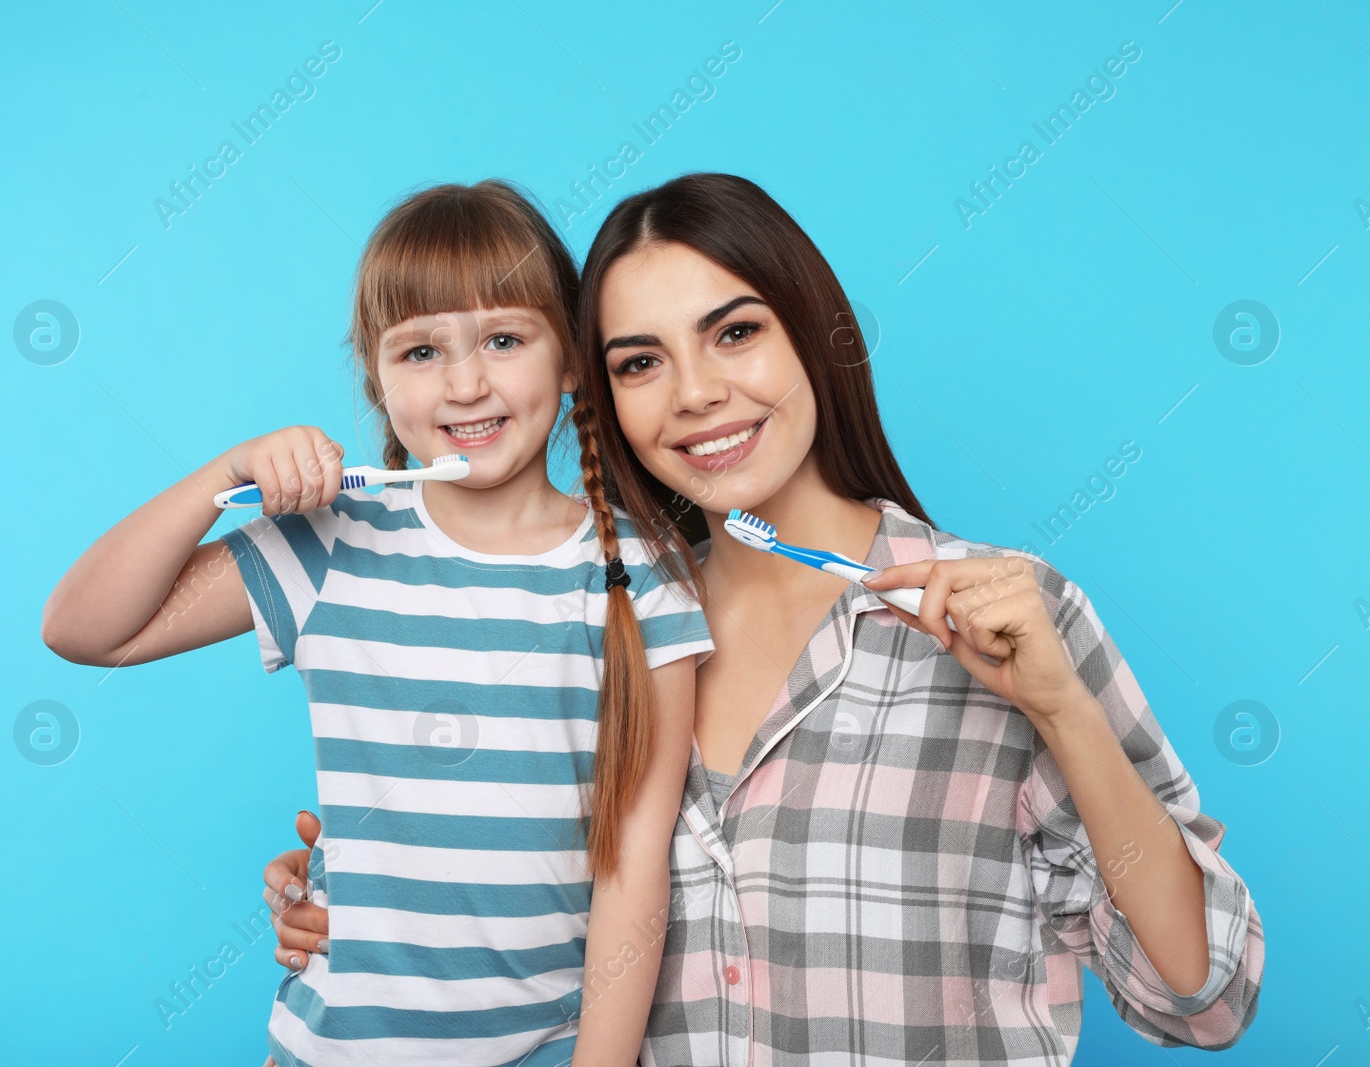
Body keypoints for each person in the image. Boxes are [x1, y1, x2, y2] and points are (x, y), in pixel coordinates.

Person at [265, 173, 1265, 1065]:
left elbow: (1201, 996)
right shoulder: (607, 622)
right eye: (640, 362)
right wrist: (350, 901)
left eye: (734, 331)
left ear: (815, 333)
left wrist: (1064, 709)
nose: (697, 393)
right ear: (598, 394)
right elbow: (501, 894)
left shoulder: (1004, 610)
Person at [41, 180, 713, 1067]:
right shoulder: (330, 547)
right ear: (376, 378)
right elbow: (85, 628)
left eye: (505, 339)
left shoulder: (640, 573)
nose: (466, 383)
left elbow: (636, 864)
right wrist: (224, 475)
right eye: (420, 350)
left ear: (571, 361)